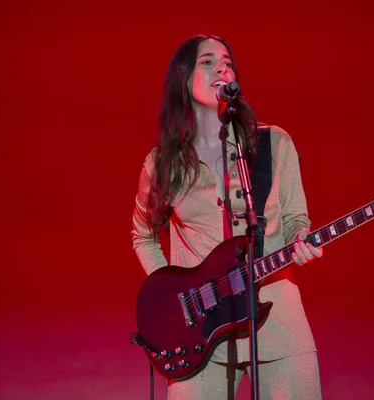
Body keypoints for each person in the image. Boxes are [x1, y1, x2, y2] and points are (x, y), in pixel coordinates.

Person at [131, 34, 323, 399]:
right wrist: (174, 297)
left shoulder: (273, 144)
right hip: (199, 338)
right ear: (184, 80)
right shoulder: (163, 165)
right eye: (207, 61)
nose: (222, 66)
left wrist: (301, 238)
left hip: (279, 324)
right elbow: (143, 234)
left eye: (227, 61)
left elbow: (297, 218)